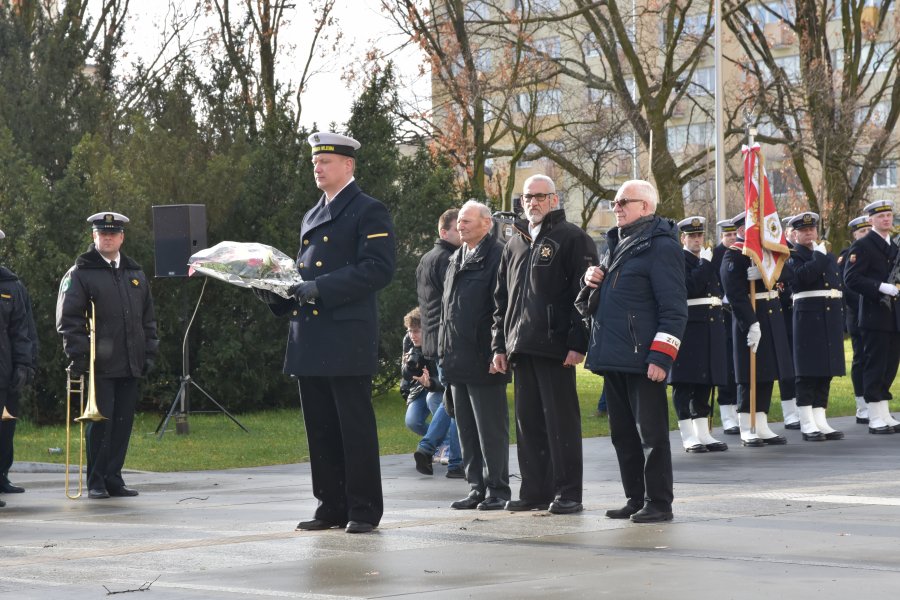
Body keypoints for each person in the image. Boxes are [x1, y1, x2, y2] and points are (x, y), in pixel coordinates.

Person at [255, 132, 396, 534]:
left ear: (348, 165)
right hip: (311, 335)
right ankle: (330, 505)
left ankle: (364, 509)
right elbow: (304, 273)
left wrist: (322, 288)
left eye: (326, 161)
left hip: (346, 335)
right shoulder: (312, 213)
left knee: (354, 428)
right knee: (320, 428)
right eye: (315, 162)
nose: (317, 167)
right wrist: (277, 293)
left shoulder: (369, 210)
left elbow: (378, 268)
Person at [582, 180, 687, 523]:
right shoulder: (616, 243)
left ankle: (659, 502)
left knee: (651, 436)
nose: (617, 207)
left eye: (624, 201)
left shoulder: (661, 247)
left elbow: (674, 308)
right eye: (614, 202)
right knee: (623, 435)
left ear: (646, 206)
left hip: (643, 359)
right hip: (613, 355)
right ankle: (635, 498)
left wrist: (661, 356)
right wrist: (591, 282)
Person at [492, 174, 597, 515]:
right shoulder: (515, 243)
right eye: (527, 197)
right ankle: (534, 491)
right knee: (529, 424)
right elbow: (501, 301)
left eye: (539, 196)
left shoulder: (572, 238)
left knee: (561, 424)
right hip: (520, 347)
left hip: (556, 347)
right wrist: (499, 345)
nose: (532, 203)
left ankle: (568, 492)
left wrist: (577, 342)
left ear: (555, 199)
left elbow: (583, 297)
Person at [56, 212, 158, 499]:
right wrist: (79, 357)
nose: (108, 237)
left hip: (130, 361)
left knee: (123, 424)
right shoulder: (80, 273)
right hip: (98, 364)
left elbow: (147, 319)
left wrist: (149, 352)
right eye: (103, 234)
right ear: (94, 237)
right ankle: (96, 481)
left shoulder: (135, 274)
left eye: (113, 233)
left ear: (122, 237)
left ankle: (114, 477)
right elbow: (69, 321)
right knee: (100, 424)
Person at [441, 201, 511, 511]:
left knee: (490, 430)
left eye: (467, 221)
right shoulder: (457, 257)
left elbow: (502, 307)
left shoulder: (497, 255)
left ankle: (497, 488)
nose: (460, 226)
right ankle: (475, 487)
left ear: (487, 224)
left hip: (484, 358)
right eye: (459, 222)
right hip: (457, 358)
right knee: (466, 429)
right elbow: (447, 311)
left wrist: (498, 349)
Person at [719, 211, 792, 447]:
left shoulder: (765, 253)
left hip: (771, 315)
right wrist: (750, 322)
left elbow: (787, 272)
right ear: (741, 230)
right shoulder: (734, 255)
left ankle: (761, 424)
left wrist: (765, 270)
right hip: (751, 317)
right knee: (748, 375)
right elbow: (735, 294)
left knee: (766, 372)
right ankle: (746, 426)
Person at [669, 216, 728, 453]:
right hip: (689, 327)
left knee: (705, 380)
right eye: (692, 236)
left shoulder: (707, 260)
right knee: (685, 383)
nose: (696, 239)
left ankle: (703, 432)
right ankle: (688, 434)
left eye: (699, 235)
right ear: (683, 238)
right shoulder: (678, 260)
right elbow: (689, 288)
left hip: (710, 325)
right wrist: (704, 265)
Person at [785, 212, 845, 441]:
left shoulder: (826, 255)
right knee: (807, 371)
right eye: (804, 230)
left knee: (826, 370)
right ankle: (807, 421)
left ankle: (820, 418)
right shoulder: (793, 256)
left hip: (829, 316)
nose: (809, 233)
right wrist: (818, 258)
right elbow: (801, 278)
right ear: (796, 233)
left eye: (812, 229)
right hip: (808, 318)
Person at [413, 208, 463, 476]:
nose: (463, 233)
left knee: (450, 399)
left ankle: (429, 448)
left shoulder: (426, 259)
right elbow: (454, 301)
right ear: (444, 232)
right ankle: (454, 461)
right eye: (458, 228)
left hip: (434, 339)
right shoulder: (448, 258)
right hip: (448, 340)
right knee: (456, 402)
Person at [844, 200, 900, 434]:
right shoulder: (863, 245)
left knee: (890, 365)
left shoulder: (894, 247)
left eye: (888, 215)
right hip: (874, 313)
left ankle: (884, 411)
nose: (886, 219)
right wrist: (880, 287)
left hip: (894, 316)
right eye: (881, 216)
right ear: (871, 220)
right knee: (875, 364)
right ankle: (874, 414)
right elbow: (851, 278)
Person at [401, 308, 462, 478]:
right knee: (412, 421)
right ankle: (443, 444)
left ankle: (444, 449)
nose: (412, 335)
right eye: (410, 331)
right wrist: (409, 367)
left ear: (427, 330)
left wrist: (430, 383)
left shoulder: (437, 341)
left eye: (416, 331)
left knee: (436, 401)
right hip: (418, 388)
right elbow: (406, 375)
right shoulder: (408, 340)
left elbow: (446, 381)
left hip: (436, 388)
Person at [0, 228, 37, 506]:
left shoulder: (11, 285)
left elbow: (22, 330)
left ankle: (1, 475)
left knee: (5, 428)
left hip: (6, 372)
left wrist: (24, 364)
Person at [840, 216, 873, 424]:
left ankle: (875, 401)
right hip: (858, 314)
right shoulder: (849, 256)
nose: (867, 234)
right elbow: (847, 287)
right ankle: (862, 405)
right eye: (862, 232)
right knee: (861, 357)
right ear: (854, 235)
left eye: (869, 230)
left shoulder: (876, 254)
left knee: (877, 359)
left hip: (877, 315)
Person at [711, 219, 739, 434]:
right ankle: (727, 414)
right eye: (727, 235)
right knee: (726, 365)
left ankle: (741, 411)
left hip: (739, 312)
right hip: (722, 314)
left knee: (741, 364)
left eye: (733, 234)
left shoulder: (743, 251)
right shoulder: (714, 255)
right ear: (721, 236)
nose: (731, 238)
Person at [777, 217, 801, 430]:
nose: (795, 235)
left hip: (801, 318)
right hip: (784, 317)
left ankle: (801, 407)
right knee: (787, 366)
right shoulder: (781, 254)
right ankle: (789, 411)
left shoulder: (799, 254)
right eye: (793, 231)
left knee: (801, 364)